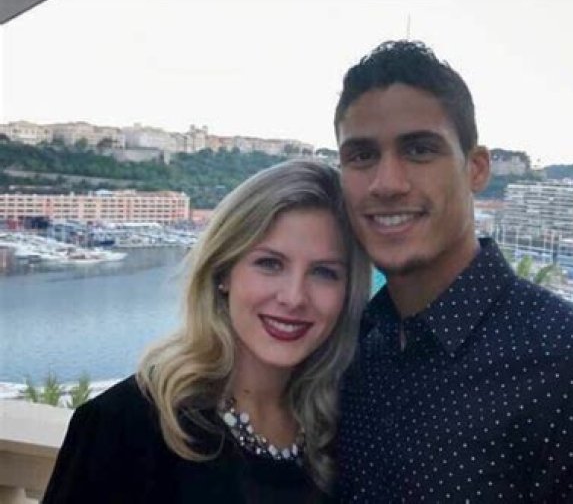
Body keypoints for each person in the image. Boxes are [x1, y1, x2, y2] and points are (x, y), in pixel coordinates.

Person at [333, 40, 573, 502]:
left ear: (476, 168)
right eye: (362, 156)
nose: (387, 183)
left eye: (419, 150)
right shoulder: (356, 352)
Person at [43, 160, 371, 503]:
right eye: (270, 264)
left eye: (324, 272)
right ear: (223, 272)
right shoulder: (124, 426)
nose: (294, 297)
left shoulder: (347, 427)